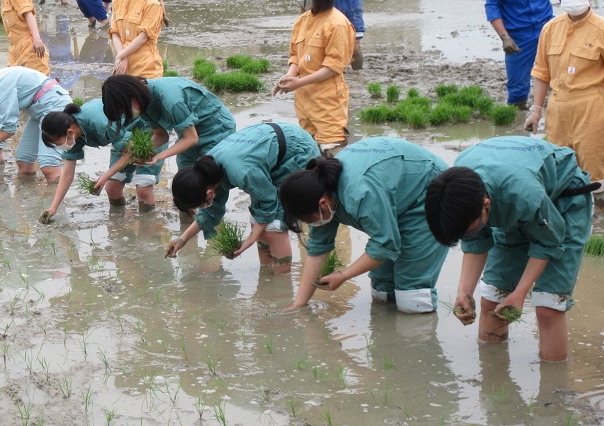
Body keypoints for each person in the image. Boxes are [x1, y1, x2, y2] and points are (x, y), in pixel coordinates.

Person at [425, 137, 595, 362]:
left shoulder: (522, 195)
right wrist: (463, 292)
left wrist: (520, 293)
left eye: (468, 230)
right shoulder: (460, 190)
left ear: (486, 206)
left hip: (563, 201)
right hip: (512, 200)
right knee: (492, 299)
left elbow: (548, 241)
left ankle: (555, 391)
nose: (467, 236)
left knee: (548, 305)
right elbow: (476, 241)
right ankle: (492, 377)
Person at [278, 137, 449, 314]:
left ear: (322, 203)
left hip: (429, 189)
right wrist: (299, 304)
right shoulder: (320, 192)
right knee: (382, 289)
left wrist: (344, 276)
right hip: (393, 194)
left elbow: (385, 244)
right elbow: (317, 251)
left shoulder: (360, 194)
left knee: (412, 296)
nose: (311, 225)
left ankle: (418, 336)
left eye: (309, 220)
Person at [166, 122, 320, 271]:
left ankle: (281, 282)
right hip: (271, 149)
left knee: (274, 227)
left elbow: (268, 201)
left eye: (201, 204)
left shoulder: (242, 171)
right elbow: (210, 212)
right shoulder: (207, 173)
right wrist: (183, 239)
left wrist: (249, 240)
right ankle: (266, 275)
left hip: (297, 150)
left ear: (209, 193)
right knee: (257, 224)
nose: (204, 207)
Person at [525, 0, 604, 184]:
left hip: (592, 109)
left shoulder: (601, 29)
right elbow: (542, 72)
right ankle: (568, 216)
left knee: (593, 170)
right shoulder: (550, 29)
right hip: (557, 109)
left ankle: (598, 214)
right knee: (559, 169)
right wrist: (536, 110)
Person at [99, 75, 236, 191]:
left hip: (216, 128)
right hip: (189, 131)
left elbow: (191, 138)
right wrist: (140, 152)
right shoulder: (144, 103)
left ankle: (211, 220)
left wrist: (159, 156)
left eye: (124, 109)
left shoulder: (171, 100)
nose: (128, 114)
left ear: (131, 97)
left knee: (208, 183)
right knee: (185, 186)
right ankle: (188, 220)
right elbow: (160, 135)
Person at [274, 0, 355, 154]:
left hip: (327, 103)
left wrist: (299, 82)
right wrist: (289, 76)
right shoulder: (302, 20)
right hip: (304, 102)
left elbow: (333, 67)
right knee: (309, 156)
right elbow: (296, 56)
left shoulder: (337, 24)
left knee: (332, 156)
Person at [40, 99, 164, 219]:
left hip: (148, 133)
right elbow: (67, 174)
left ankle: (148, 229)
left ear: (69, 132)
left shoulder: (101, 124)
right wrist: (53, 208)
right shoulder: (74, 136)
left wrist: (105, 176)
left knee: (143, 187)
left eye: (57, 143)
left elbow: (130, 153)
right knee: (112, 188)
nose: (59, 147)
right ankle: (119, 225)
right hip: (123, 140)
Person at [109, 0, 165, 78]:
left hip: (145, 68)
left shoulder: (151, 3)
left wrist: (120, 56)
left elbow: (143, 37)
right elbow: (115, 33)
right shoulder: (117, 2)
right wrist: (122, 57)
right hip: (123, 66)